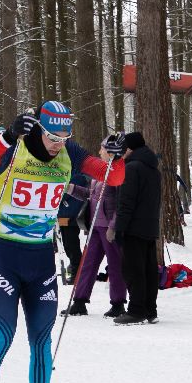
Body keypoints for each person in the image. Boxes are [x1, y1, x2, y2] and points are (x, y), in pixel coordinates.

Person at [0, 101, 125, 383]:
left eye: (64, 136)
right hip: (5, 255)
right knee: (2, 336)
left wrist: (117, 155)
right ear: (39, 128)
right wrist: (6, 138)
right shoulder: (14, 146)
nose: (58, 143)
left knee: (41, 340)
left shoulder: (71, 152)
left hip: (41, 260)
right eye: (53, 136)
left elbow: (114, 176)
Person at [64, 133, 127, 318]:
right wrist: (69, 188)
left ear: (109, 151)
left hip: (108, 229)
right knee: (88, 264)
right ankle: (79, 301)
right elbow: (90, 196)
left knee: (115, 265)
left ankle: (118, 303)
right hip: (94, 227)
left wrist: (113, 226)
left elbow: (121, 203)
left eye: (102, 148)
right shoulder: (99, 174)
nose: (99, 152)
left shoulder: (117, 173)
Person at [112, 131, 162, 325]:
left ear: (130, 149)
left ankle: (136, 310)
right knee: (148, 269)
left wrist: (120, 228)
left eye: (124, 149)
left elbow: (126, 202)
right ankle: (150, 309)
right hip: (149, 226)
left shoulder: (131, 168)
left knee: (134, 270)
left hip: (134, 226)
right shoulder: (152, 169)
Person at [56, 172, 89, 284]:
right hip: (64, 215)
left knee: (71, 245)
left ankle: (77, 273)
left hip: (72, 214)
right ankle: (74, 269)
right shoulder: (68, 172)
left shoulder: (77, 175)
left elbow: (65, 192)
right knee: (67, 245)